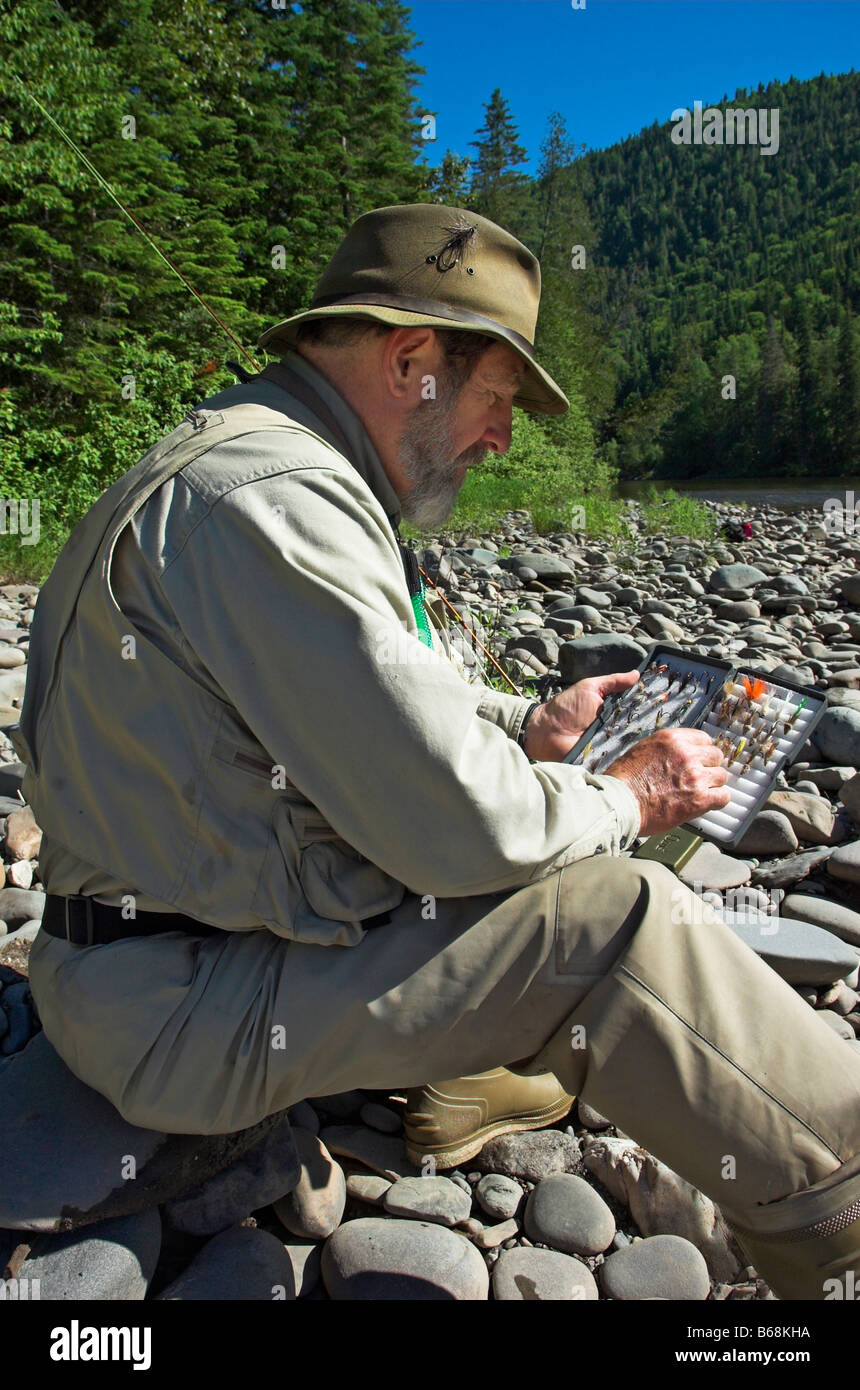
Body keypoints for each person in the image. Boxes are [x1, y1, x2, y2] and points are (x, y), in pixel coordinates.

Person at [14, 205, 860, 1300]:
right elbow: (462, 829)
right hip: (176, 1011)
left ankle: (495, 1066)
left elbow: (353, 709)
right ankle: (834, 1211)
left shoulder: (253, 456)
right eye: (497, 398)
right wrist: (624, 789)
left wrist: (532, 734)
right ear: (412, 360)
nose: (503, 435)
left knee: (603, 811)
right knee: (618, 911)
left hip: (156, 955)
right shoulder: (277, 503)